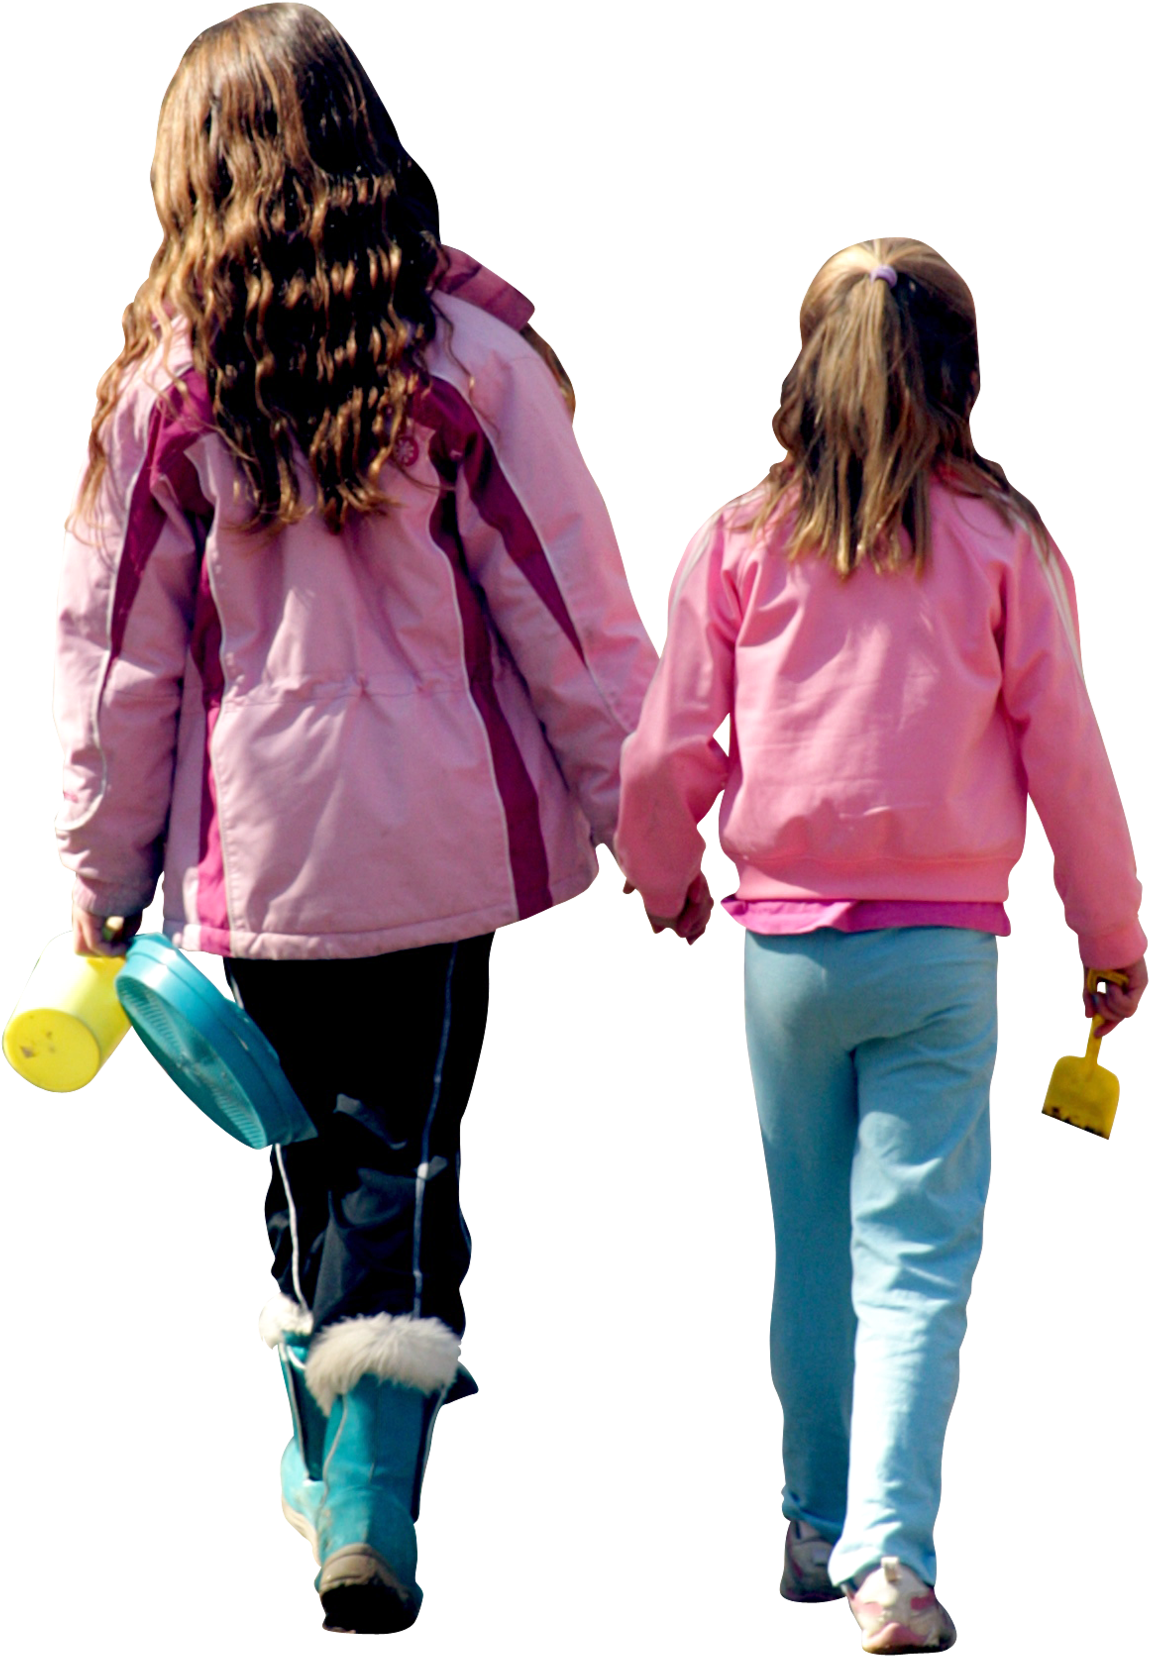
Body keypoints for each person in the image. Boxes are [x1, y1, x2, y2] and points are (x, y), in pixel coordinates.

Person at [55, 5, 1145, 1647]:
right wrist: (640, 852)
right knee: (410, 1165)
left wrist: (101, 872)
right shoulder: (470, 370)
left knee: (297, 1171)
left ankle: (344, 1464)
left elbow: (115, 659)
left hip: (245, 865)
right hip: (446, 860)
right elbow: (579, 636)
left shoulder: (160, 402)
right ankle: (396, 1493)